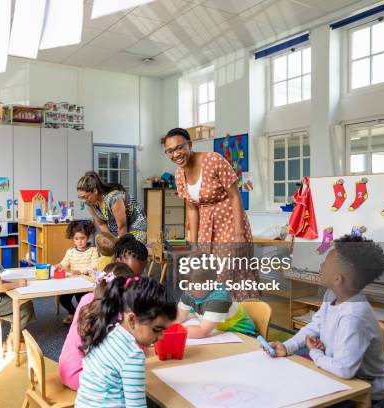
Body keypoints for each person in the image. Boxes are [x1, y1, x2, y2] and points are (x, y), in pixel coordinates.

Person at [264, 235, 384, 402]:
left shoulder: (353, 316)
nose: (321, 265)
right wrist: (287, 347)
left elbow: (345, 370)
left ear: (338, 279)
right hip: (333, 371)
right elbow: (315, 326)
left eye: (326, 263)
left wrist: (315, 353)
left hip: (360, 388)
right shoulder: (333, 294)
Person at [163, 128, 258, 300]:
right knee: (207, 273)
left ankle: (243, 317)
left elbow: (235, 196)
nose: (176, 154)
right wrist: (192, 244)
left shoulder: (213, 160)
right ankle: (214, 317)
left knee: (228, 272)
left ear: (189, 145)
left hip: (229, 220)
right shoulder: (179, 175)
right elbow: (192, 208)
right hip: (206, 228)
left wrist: (239, 233)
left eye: (179, 147)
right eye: (170, 151)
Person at [76, 276, 177, 407]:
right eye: (157, 329)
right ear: (132, 320)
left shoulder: (107, 330)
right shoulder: (132, 355)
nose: (162, 336)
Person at [58, 262, 135, 390]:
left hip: (66, 369)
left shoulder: (87, 299)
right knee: (132, 375)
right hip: (83, 378)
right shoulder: (117, 313)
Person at [77, 171, 147, 243]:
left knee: (130, 250)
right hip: (116, 226)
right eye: (81, 198)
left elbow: (122, 226)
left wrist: (120, 247)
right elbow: (101, 224)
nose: (84, 201)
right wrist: (111, 242)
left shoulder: (114, 198)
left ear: (95, 191)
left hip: (135, 223)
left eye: (85, 197)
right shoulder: (89, 203)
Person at [56, 220, 99, 324]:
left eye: (82, 238)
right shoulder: (70, 251)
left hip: (86, 282)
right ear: (73, 239)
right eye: (77, 239)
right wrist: (60, 266)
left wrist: (80, 272)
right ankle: (73, 312)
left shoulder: (93, 250)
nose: (80, 241)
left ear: (88, 237)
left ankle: (84, 316)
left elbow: (94, 266)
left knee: (81, 299)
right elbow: (65, 263)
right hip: (73, 282)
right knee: (63, 299)